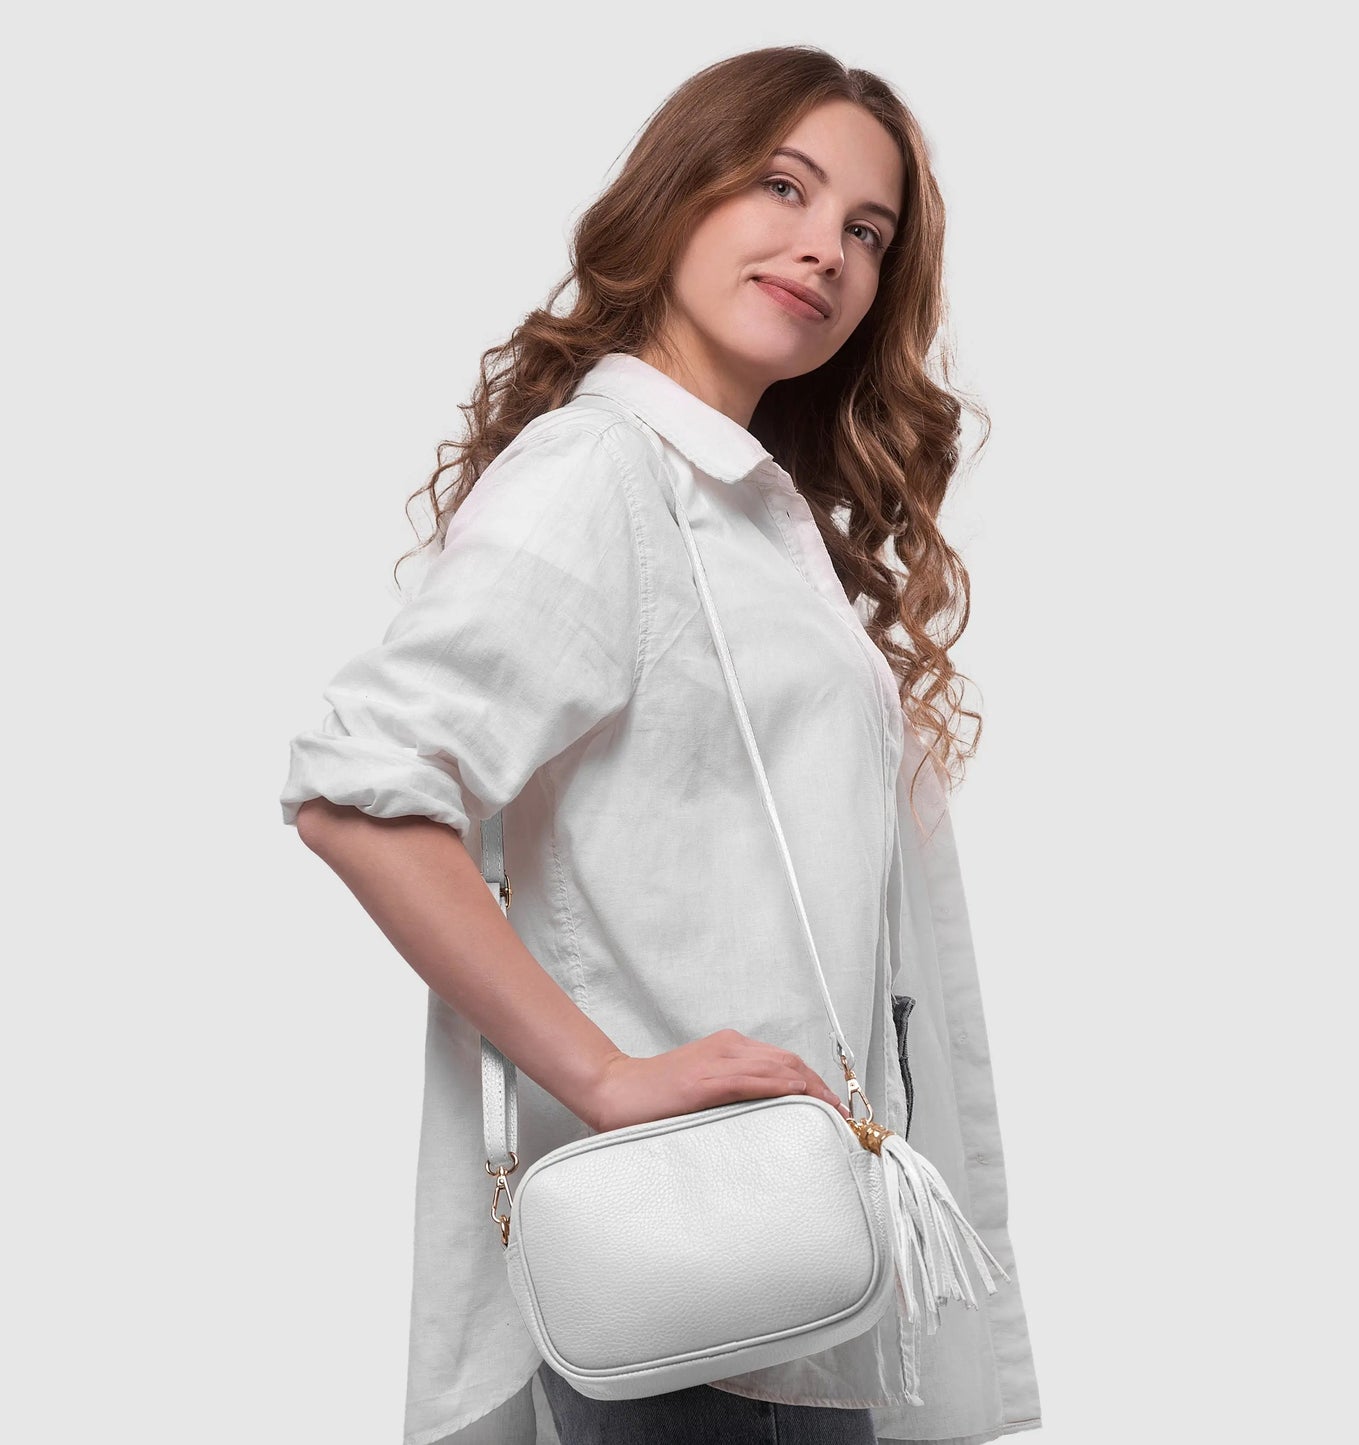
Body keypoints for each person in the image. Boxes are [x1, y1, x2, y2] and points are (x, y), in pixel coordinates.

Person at [280, 44, 1042, 1445]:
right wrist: (605, 1076)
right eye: (783, 187)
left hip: (786, 1275)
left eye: (866, 232)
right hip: (688, 1277)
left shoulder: (747, 513)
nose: (825, 249)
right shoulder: (609, 474)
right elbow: (359, 789)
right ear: (681, 189)